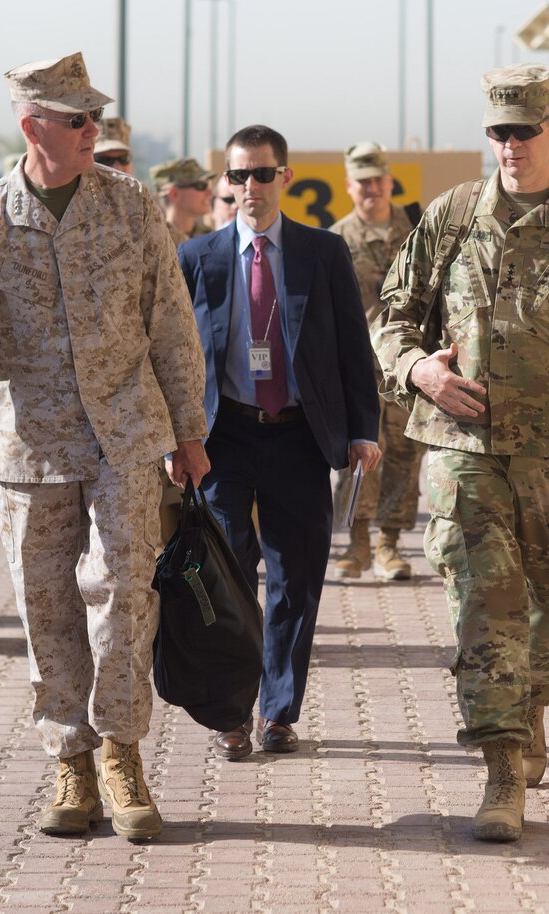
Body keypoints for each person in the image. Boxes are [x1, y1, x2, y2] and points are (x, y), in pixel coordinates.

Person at [0, 52, 209, 844]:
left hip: (125, 437)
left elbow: (170, 323)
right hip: (29, 448)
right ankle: (71, 761)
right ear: (34, 127)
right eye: (77, 120)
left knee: (123, 592)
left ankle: (122, 753)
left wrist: (189, 431)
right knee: (47, 608)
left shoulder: (129, 207)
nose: (94, 131)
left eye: (95, 118)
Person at [373, 65, 549, 842]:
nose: (509, 146)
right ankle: (501, 772)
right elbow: (393, 319)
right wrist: (420, 368)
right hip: (462, 449)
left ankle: (530, 707)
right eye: (497, 131)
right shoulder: (452, 217)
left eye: (523, 131)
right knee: (484, 599)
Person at [179, 124, 381, 761]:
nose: (249, 187)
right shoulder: (199, 258)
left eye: (262, 174)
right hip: (224, 436)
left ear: (284, 178)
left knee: (296, 580)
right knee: (228, 574)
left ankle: (279, 712)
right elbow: (174, 358)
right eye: (238, 176)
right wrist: (174, 438)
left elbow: (353, 345)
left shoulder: (322, 253)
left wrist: (362, 430)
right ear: (226, 184)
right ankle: (232, 710)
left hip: (298, 435)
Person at [330, 142, 427, 582]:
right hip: (360, 367)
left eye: (377, 180)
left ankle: (390, 543)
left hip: (410, 366)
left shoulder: (418, 230)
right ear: (349, 187)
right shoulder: (337, 240)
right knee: (361, 454)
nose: (371, 188)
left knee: (406, 454)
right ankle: (359, 542)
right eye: (362, 182)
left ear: (390, 182)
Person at [151, 156, 215, 247]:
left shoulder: (210, 237)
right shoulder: (153, 239)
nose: (209, 192)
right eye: (201, 186)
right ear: (174, 194)